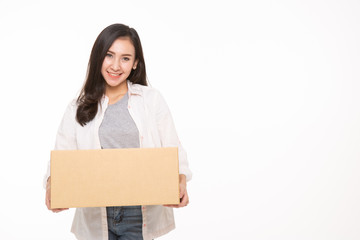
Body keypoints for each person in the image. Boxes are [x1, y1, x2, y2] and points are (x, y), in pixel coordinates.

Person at [44, 23, 192, 240]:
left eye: (125, 58)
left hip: (140, 212)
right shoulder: (78, 107)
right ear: (98, 58)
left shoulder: (151, 100)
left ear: (135, 64)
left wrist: (180, 182)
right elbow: (62, 155)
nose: (115, 65)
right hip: (95, 210)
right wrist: (52, 186)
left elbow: (173, 148)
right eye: (109, 55)